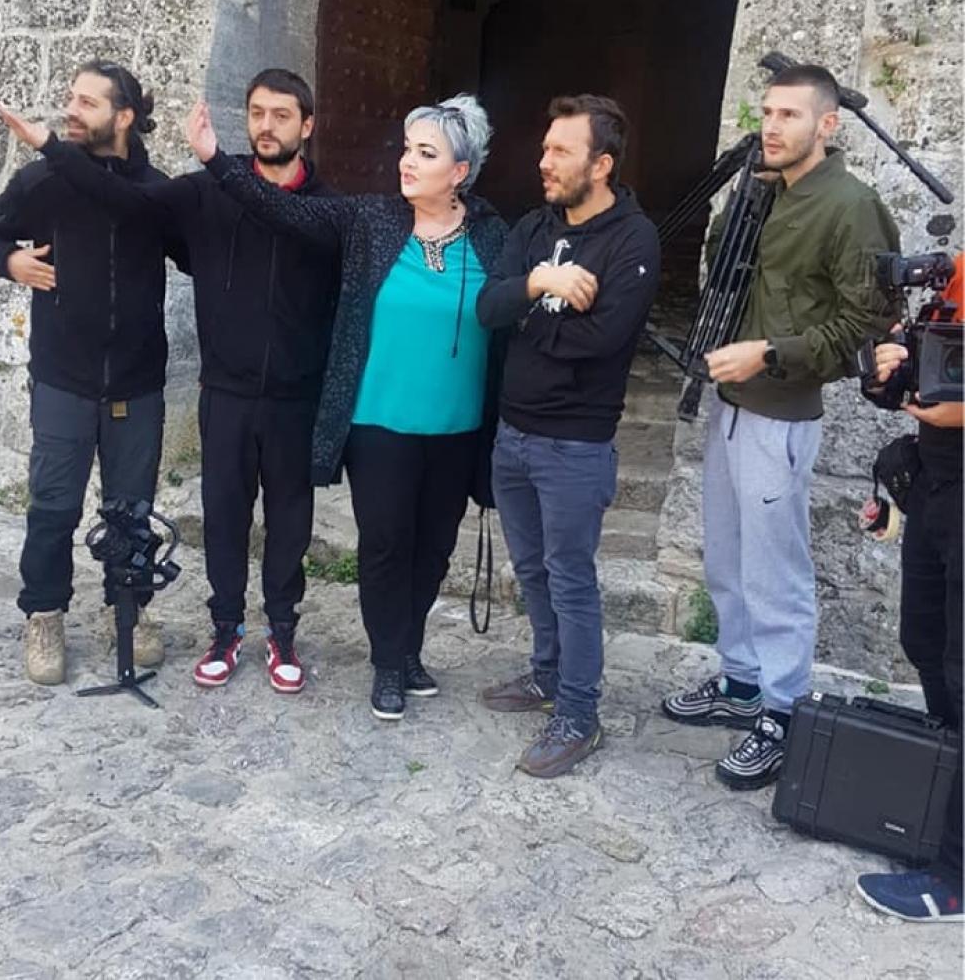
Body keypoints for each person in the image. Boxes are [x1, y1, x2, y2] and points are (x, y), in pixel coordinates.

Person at [0, 69, 339, 695]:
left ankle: (219, 621)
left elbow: (250, 231)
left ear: (307, 125)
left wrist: (217, 172)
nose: (266, 126)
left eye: (281, 115)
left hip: (239, 390)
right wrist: (21, 229)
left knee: (232, 518)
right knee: (96, 510)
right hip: (149, 385)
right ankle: (76, 616)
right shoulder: (180, 192)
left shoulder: (316, 205)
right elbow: (111, 205)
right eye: (256, 113)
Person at [186, 93, 507, 721]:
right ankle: (388, 662)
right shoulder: (370, 220)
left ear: (460, 172)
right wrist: (216, 161)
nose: (407, 162)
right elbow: (281, 209)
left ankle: (408, 649)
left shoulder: (494, 236)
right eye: (407, 149)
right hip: (377, 423)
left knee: (434, 549)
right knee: (385, 545)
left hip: (458, 427)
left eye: (426, 154)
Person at [662, 63, 900, 789]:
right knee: (726, 559)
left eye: (789, 115)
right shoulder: (763, 188)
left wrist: (769, 353)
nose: (771, 126)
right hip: (730, 403)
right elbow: (723, 270)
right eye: (767, 112)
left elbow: (867, 324)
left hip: (780, 413)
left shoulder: (851, 207)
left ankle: (783, 709)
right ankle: (740, 681)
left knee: (775, 572)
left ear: (827, 124)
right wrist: (743, 197)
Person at [0, 61, 188, 685]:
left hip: (136, 381)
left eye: (87, 102)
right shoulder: (43, 181)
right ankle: (44, 613)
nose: (71, 109)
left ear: (124, 117)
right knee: (53, 507)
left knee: (132, 509)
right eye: (71, 97)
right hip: (63, 377)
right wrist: (9, 262)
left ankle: (130, 609)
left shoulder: (153, 191)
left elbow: (194, 254)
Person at [477, 95, 660, 778]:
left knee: (571, 578)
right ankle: (548, 673)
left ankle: (580, 714)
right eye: (545, 147)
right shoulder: (534, 227)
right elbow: (488, 306)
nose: (544, 161)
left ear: (601, 164)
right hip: (513, 435)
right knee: (531, 571)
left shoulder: (633, 239)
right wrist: (539, 283)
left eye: (560, 150)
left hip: (575, 446)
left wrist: (527, 316)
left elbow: (604, 339)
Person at [855, 253, 963, 923]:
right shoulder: (953, 276)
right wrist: (886, 373)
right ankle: (944, 797)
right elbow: (915, 386)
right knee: (923, 641)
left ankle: (956, 878)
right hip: (936, 487)